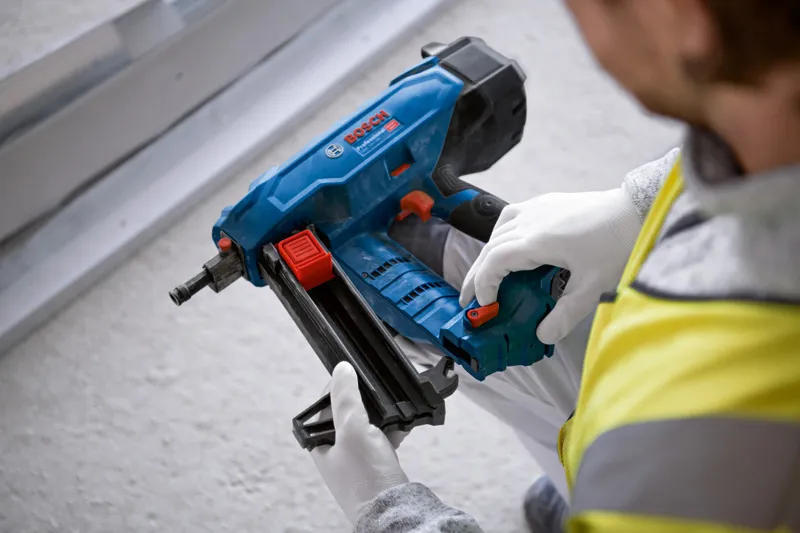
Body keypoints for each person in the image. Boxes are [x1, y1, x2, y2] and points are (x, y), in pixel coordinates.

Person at [310, 1, 800, 532]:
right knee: (483, 276)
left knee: (484, 311)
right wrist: (635, 206)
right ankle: (573, 475)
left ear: (684, 19)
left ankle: (582, 484)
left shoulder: (664, 486)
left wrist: (386, 506)